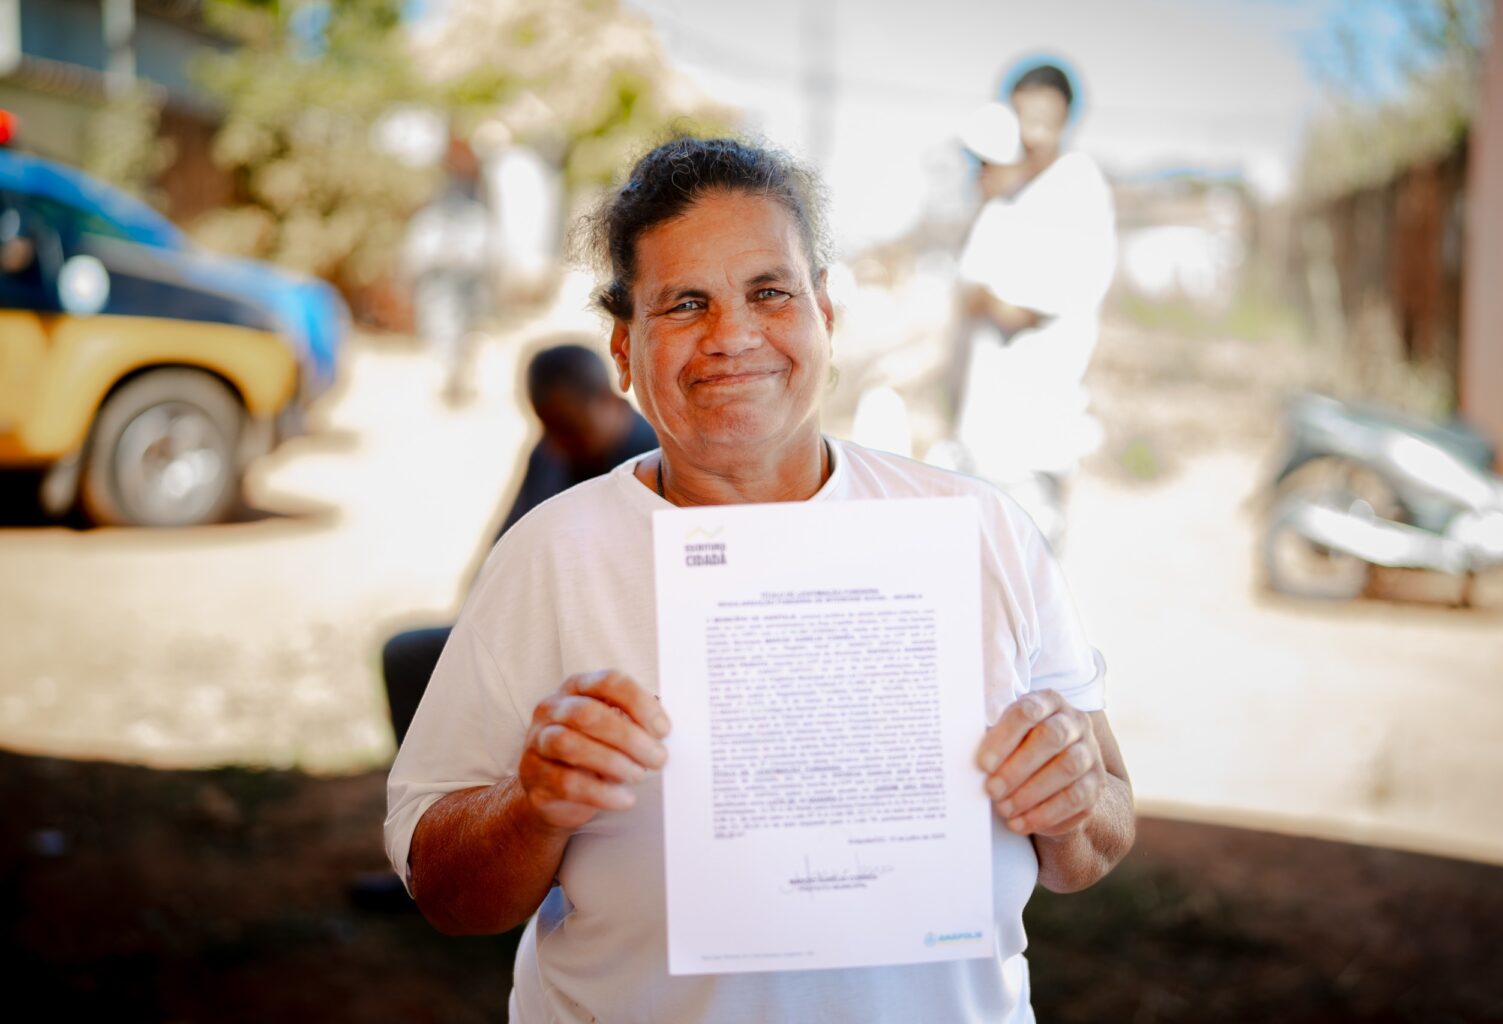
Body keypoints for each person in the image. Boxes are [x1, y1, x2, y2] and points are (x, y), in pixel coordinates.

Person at [385, 136, 1133, 1023]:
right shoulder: (553, 557)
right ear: (624, 351)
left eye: (769, 292)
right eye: (684, 303)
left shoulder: (980, 534)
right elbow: (446, 892)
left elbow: (1098, 836)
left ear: (825, 314)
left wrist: (1073, 802)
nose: (732, 336)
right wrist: (533, 807)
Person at [381, 342, 658, 747]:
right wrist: (477, 624)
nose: (556, 443)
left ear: (607, 399)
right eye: (545, 427)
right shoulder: (550, 452)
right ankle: (433, 790)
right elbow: (504, 544)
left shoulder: (650, 463)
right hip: (522, 626)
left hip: (586, 644)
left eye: (567, 428)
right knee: (405, 656)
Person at [953, 61, 1117, 547]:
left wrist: (981, 298)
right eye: (1026, 114)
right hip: (989, 437)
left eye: (1047, 115)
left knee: (1026, 595)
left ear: (1068, 117)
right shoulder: (1013, 194)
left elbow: (1023, 306)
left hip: (1033, 436)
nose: (1035, 129)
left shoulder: (1074, 188)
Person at [401, 138, 497, 402]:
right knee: (439, 333)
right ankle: (443, 384)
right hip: (438, 288)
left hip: (466, 287)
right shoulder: (432, 217)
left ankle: (461, 383)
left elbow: (483, 253)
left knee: (467, 336)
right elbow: (418, 254)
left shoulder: (475, 215)